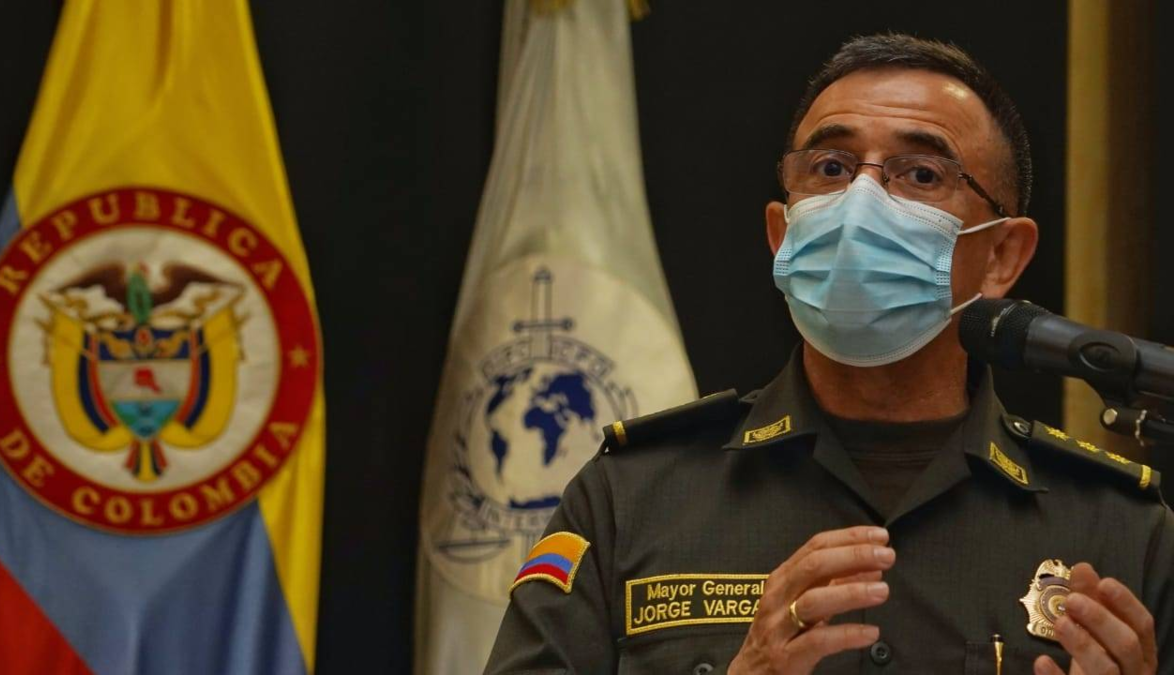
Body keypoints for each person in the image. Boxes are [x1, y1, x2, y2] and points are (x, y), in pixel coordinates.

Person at [482, 34, 1172, 675]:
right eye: (832, 168)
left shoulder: (1116, 531)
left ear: (1002, 255)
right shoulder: (633, 496)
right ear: (782, 233)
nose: (860, 202)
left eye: (920, 173)